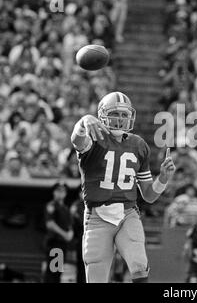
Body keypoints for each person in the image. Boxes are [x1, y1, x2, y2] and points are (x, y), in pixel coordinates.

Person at [70, 91, 176, 283]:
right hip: (97, 217)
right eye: (115, 114)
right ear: (102, 115)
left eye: (124, 115)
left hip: (128, 214)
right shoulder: (94, 137)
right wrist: (84, 121)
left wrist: (163, 178)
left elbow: (149, 196)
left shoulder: (139, 145)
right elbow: (76, 141)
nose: (120, 119)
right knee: (96, 277)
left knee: (139, 265)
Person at [43, 181, 73, 283]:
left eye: (63, 191)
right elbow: (50, 224)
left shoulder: (65, 208)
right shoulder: (51, 205)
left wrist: (70, 233)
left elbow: (69, 225)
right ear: (54, 192)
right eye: (58, 191)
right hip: (55, 243)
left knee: (58, 272)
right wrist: (65, 234)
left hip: (62, 244)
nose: (61, 193)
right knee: (53, 271)